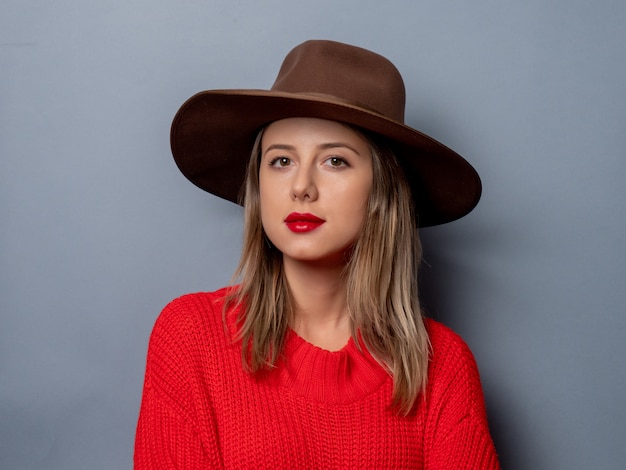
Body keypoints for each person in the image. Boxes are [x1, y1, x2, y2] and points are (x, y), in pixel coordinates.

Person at [134, 40, 500, 469]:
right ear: (258, 185)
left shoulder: (443, 366)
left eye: (335, 162)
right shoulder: (190, 337)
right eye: (281, 160)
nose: (301, 186)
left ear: (383, 192)